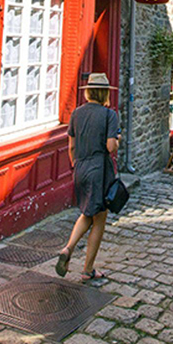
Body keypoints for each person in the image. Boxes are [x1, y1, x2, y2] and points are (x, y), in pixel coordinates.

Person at [55, 73, 120, 282]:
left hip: (80, 168)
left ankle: (68, 250)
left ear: (89, 91)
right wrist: (117, 140)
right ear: (104, 93)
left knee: (87, 213)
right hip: (98, 169)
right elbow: (111, 147)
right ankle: (87, 269)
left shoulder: (76, 114)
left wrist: (76, 164)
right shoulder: (109, 115)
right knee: (99, 218)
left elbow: (71, 146)